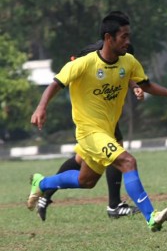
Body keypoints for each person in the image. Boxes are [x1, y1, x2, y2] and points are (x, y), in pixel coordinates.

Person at [28, 11, 167, 232]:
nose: (127, 41)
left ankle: (42, 182)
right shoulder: (84, 64)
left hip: (107, 131)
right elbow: (56, 83)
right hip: (89, 132)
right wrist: (41, 107)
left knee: (87, 180)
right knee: (128, 162)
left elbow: (146, 84)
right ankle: (151, 216)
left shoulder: (129, 62)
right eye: (123, 36)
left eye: (128, 36)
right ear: (108, 38)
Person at [35, 39, 145, 222]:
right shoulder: (97, 54)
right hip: (93, 114)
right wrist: (41, 107)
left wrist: (135, 87)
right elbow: (75, 66)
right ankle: (114, 205)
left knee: (81, 161)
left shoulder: (120, 59)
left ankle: (45, 194)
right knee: (116, 152)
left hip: (106, 113)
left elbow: (127, 75)